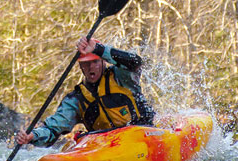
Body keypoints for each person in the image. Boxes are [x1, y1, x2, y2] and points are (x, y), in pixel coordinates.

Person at [16, 36, 155, 147]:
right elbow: (53, 128)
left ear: (103, 62)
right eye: (86, 64)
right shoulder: (76, 99)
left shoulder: (121, 77)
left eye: (95, 62)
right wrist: (32, 136)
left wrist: (98, 49)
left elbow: (135, 62)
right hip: (108, 147)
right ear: (80, 67)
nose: (91, 67)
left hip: (142, 134)